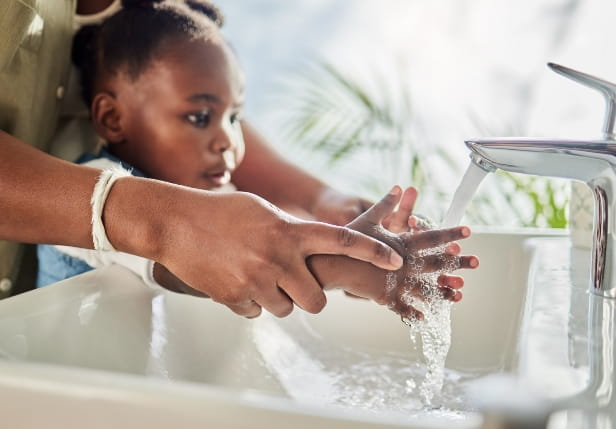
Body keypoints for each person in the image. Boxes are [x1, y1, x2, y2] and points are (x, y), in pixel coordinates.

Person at [34, 0, 478, 319]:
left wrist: (354, 238)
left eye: (235, 116)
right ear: (112, 118)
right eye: (200, 116)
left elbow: (276, 239)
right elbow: (202, 261)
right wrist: (353, 266)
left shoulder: (217, 194)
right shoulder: (92, 184)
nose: (228, 140)